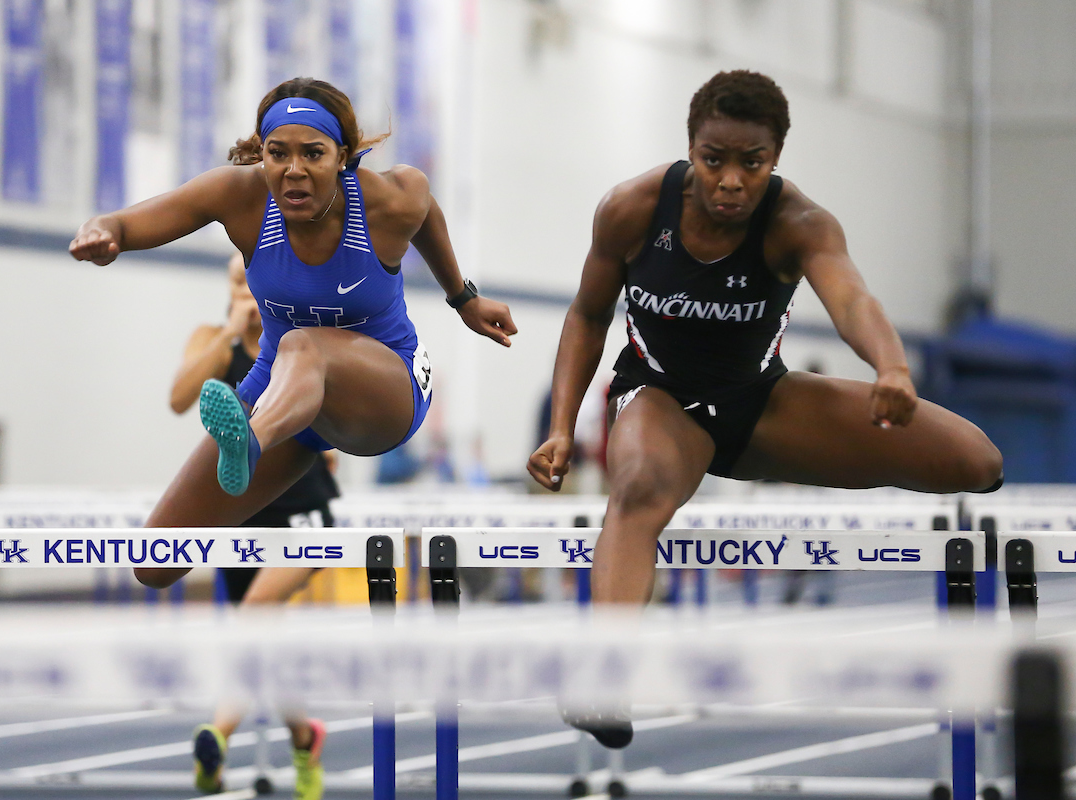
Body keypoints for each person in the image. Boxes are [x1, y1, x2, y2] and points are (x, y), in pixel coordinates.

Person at [527, 70, 1003, 747]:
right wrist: (559, 429)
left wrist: (891, 366)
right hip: (661, 399)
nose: (730, 181)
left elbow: (852, 301)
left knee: (977, 461)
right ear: (690, 151)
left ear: (775, 157)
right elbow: (586, 315)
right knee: (637, 488)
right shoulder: (631, 209)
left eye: (751, 163)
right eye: (712, 160)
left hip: (760, 400)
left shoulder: (798, 224)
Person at [70, 76, 516, 797]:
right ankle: (257, 432)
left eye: (312, 154)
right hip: (285, 399)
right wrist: (106, 232)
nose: (293, 171)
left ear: (342, 158)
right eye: (278, 153)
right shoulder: (241, 197)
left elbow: (428, 210)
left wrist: (462, 298)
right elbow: (141, 215)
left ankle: (250, 435)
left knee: (306, 344)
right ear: (262, 156)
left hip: (385, 393)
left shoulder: (389, 198)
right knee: (154, 562)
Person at [169, 250, 343, 794]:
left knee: (254, 615)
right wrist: (228, 335)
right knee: (264, 639)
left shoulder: (294, 337)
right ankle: (304, 738)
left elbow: (332, 428)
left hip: (305, 514)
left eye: (251, 279)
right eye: (235, 281)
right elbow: (178, 397)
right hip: (244, 515)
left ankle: (217, 733)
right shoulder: (211, 337)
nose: (244, 289)